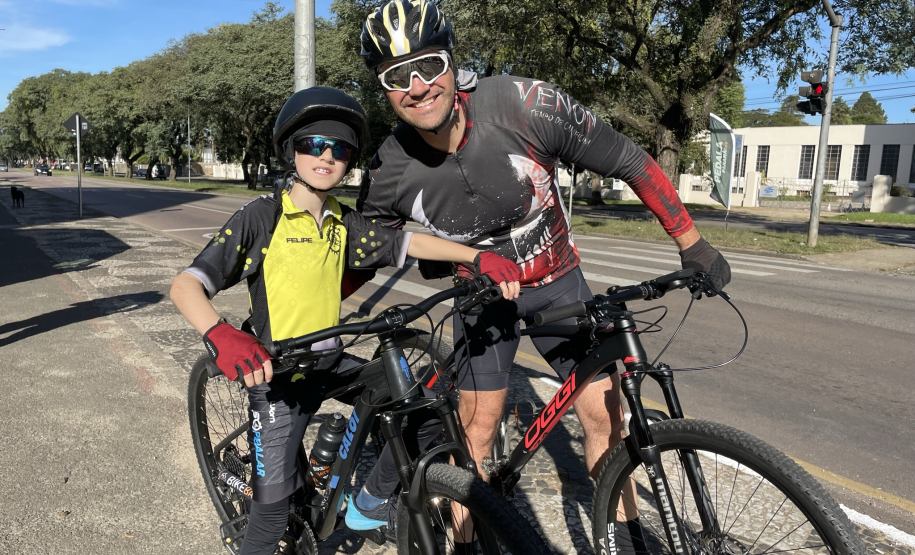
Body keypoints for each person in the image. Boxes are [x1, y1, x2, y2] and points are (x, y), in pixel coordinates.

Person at [355, 0, 732, 529]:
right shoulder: (390, 166)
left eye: (429, 65)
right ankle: (464, 539)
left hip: (558, 283)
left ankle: (620, 541)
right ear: (384, 87)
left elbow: (630, 161)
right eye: (398, 76)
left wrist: (691, 243)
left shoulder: (526, 105)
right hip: (482, 299)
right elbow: (365, 245)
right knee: (478, 429)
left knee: (606, 414)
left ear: (451, 61)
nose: (418, 86)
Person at [170, 86, 521, 555]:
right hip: (278, 376)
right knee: (270, 516)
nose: (326, 156)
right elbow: (186, 285)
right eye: (313, 144)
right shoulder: (262, 218)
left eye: (340, 148)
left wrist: (477, 258)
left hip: (330, 363)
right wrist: (221, 334)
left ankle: (369, 502)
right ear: (290, 151)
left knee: (421, 403)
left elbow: (409, 245)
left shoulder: (342, 220)